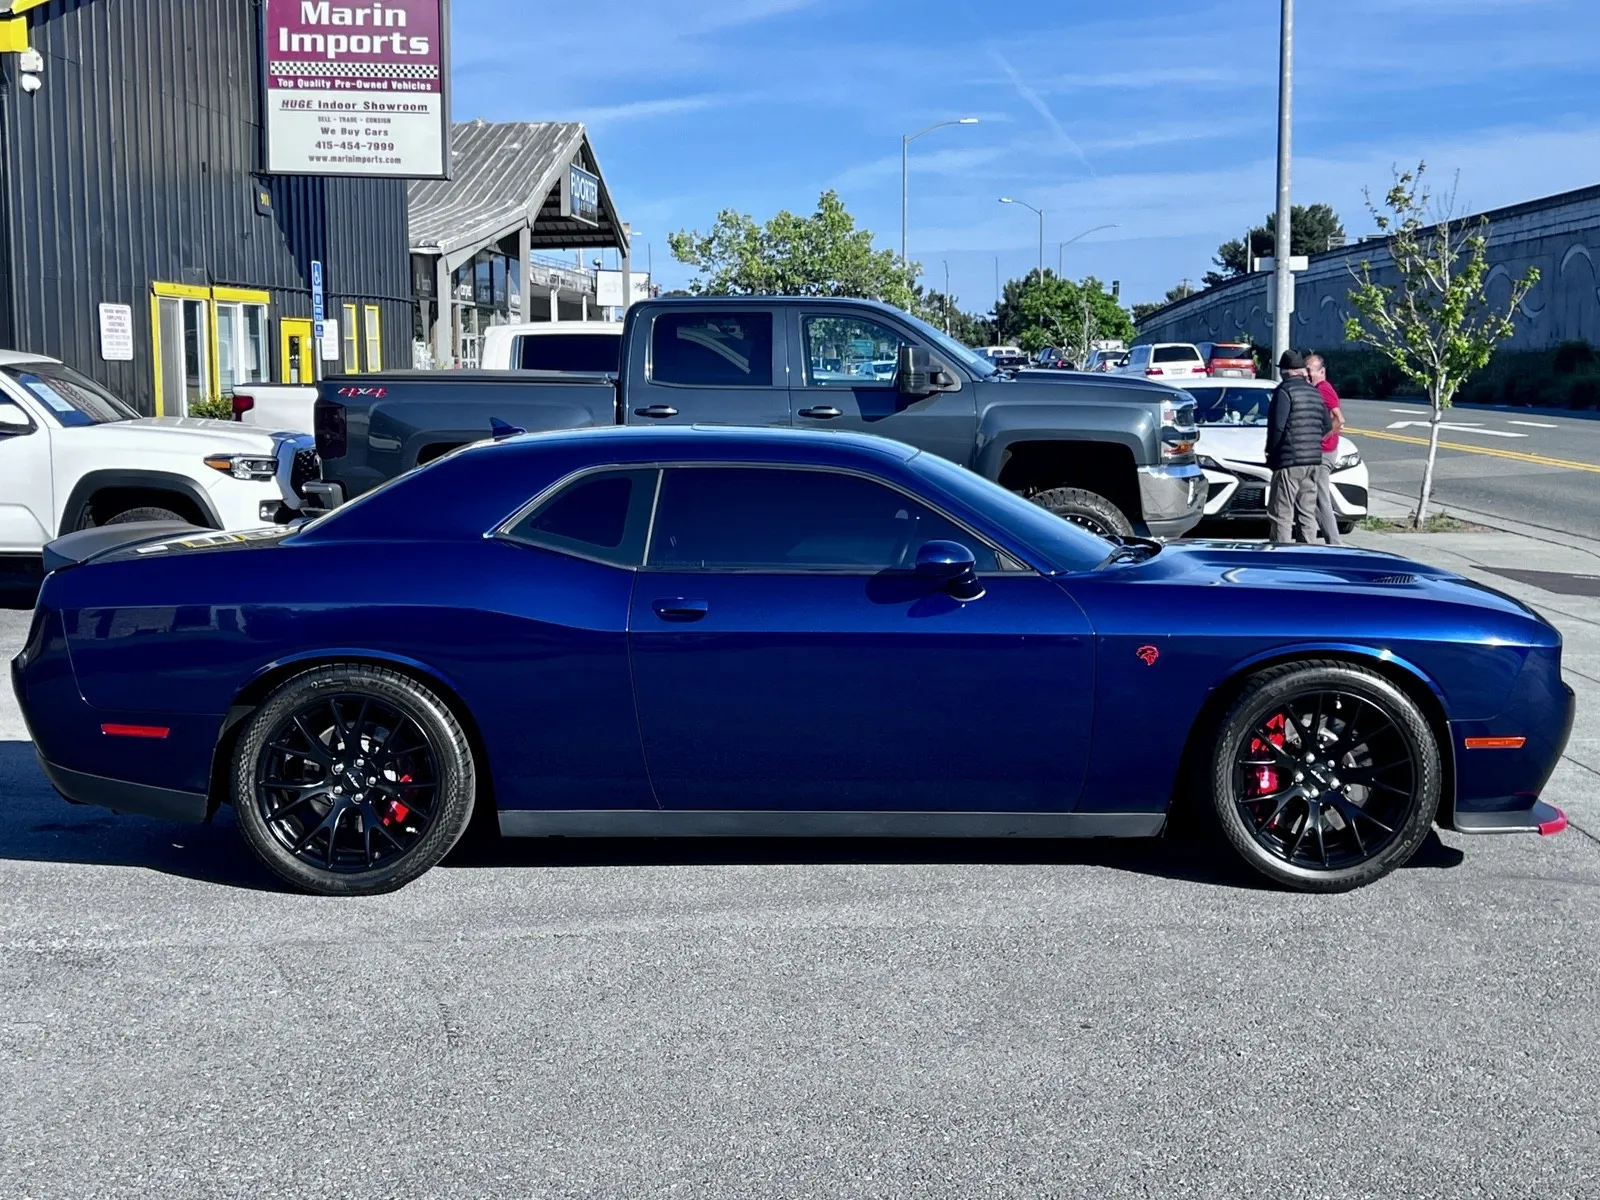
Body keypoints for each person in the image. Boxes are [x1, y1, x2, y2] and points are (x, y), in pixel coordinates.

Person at [1265, 350, 1332, 544]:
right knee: (1306, 511)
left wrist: (1271, 453)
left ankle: (1281, 552)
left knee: (1281, 513)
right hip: (1313, 461)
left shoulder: (1284, 391)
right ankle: (1307, 551)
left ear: (1284, 372)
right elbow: (1327, 425)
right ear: (1302, 371)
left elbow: (1278, 427)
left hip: (1289, 461)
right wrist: (1312, 442)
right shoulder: (1314, 392)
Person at [1307, 354, 1346, 545]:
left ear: (1322, 371)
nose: (1307, 375)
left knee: (1321, 499)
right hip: (1318, 452)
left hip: (1325, 452)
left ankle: (1335, 543)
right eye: (1306, 370)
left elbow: (1340, 419)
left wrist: (1322, 438)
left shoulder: (1324, 389)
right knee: (1312, 497)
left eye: (1310, 371)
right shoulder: (1316, 389)